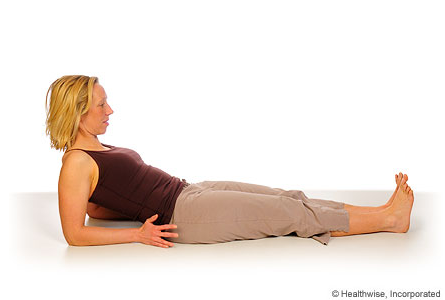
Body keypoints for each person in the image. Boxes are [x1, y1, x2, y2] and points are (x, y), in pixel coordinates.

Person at [45, 75, 415, 248]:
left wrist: (131, 210)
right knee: (291, 216)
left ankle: (380, 208)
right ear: (77, 113)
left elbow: (97, 207)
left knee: (289, 196)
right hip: (185, 216)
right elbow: (74, 233)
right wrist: (139, 233)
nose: (110, 109)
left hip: (189, 190)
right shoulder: (75, 164)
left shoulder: (93, 149)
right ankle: (390, 220)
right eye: (100, 105)